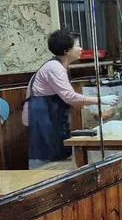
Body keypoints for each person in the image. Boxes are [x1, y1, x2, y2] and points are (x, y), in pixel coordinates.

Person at [24, 30, 114, 169]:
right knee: (44, 166)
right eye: (78, 45)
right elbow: (70, 97)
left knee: (59, 159)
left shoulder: (60, 66)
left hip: (52, 119)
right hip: (43, 120)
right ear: (66, 50)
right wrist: (99, 100)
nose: (81, 49)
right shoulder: (54, 68)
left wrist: (93, 107)